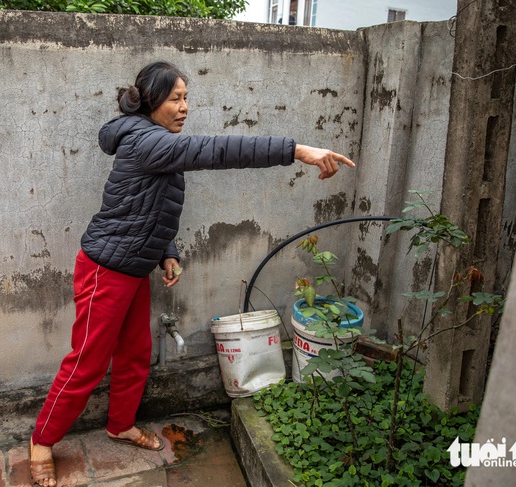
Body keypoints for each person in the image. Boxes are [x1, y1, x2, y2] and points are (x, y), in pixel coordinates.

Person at [28, 60, 355, 486]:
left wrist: (167, 251)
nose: (184, 107)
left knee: (135, 355)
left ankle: (120, 425)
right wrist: (297, 151)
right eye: (175, 99)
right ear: (151, 101)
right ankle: (40, 441)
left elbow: (146, 206)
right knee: (86, 363)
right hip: (105, 270)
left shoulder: (156, 140)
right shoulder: (148, 142)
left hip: (132, 266)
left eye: (186, 99)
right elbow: (218, 151)